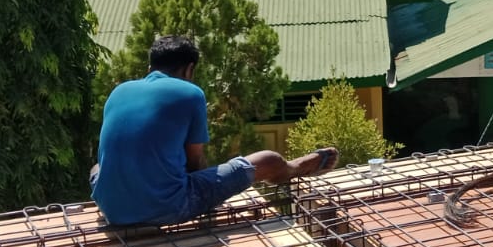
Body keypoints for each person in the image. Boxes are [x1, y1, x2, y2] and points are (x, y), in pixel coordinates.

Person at [91, 35, 338, 226]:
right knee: (267, 159)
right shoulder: (190, 93)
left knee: (97, 168)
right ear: (189, 69)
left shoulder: (119, 91)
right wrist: (213, 190)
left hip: (111, 208)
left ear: (150, 67)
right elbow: (195, 162)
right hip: (167, 208)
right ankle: (293, 168)